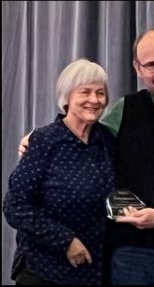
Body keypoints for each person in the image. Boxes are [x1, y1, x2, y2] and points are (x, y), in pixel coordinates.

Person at [17, 27, 154, 285]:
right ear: (138, 68)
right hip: (132, 252)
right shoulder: (124, 109)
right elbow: (83, 137)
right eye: (151, 64)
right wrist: (38, 137)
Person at [3, 59, 115, 285]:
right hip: (44, 270)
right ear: (67, 97)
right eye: (85, 92)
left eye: (100, 93)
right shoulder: (44, 141)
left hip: (94, 272)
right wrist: (65, 241)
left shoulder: (108, 140)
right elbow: (15, 206)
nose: (94, 100)